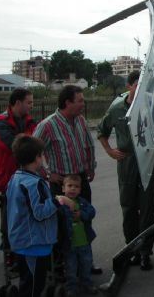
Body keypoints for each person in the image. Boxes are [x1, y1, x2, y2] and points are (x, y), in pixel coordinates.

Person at [34, 85, 102, 275]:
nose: (83, 103)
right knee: (63, 228)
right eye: (80, 100)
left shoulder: (80, 120)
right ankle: (62, 267)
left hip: (81, 181)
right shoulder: (47, 125)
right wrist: (47, 174)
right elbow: (31, 152)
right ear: (67, 103)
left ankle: (85, 263)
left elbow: (89, 145)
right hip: (61, 185)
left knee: (84, 221)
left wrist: (90, 166)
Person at [97, 71, 154, 271]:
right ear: (129, 86)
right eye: (137, 85)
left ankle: (145, 253)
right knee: (129, 208)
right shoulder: (116, 108)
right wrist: (110, 151)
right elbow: (101, 131)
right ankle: (131, 249)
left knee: (147, 209)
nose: (140, 89)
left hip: (146, 159)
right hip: (127, 160)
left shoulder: (151, 105)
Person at [6, 135, 60, 297]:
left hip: (22, 239)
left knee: (27, 281)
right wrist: (58, 201)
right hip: (34, 243)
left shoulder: (16, 178)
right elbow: (39, 213)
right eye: (41, 155)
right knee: (34, 286)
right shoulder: (33, 183)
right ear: (37, 157)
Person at [0, 88, 37, 266]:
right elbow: (14, 147)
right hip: (7, 176)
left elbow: (34, 142)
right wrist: (25, 140)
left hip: (26, 176)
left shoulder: (28, 120)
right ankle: (10, 253)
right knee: (9, 216)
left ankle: (23, 251)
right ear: (17, 103)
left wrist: (22, 138)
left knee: (26, 215)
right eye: (29, 102)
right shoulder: (2, 122)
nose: (31, 106)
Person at [59, 174, 98, 296]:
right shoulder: (61, 205)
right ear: (63, 188)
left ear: (80, 190)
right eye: (69, 186)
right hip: (69, 244)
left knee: (86, 265)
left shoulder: (82, 202)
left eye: (76, 186)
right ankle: (72, 288)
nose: (73, 189)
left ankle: (87, 284)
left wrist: (82, 215)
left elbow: (92, 211)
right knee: (71, 268)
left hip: (84, 243)